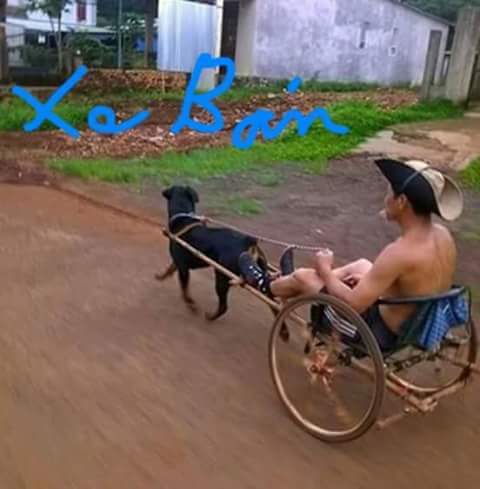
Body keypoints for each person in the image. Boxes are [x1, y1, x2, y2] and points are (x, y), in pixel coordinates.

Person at [238, 159, 464, 351]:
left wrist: (325, 270)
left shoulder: (399, 252)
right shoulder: (442, 235)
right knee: (362, 265)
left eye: (388, 192)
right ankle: (289, 282)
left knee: (305, 277)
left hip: (376, 332)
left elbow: (353, 305)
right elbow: (412, 283)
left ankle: (268, 285)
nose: (385, 198)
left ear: (402, 202)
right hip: (417, 319)